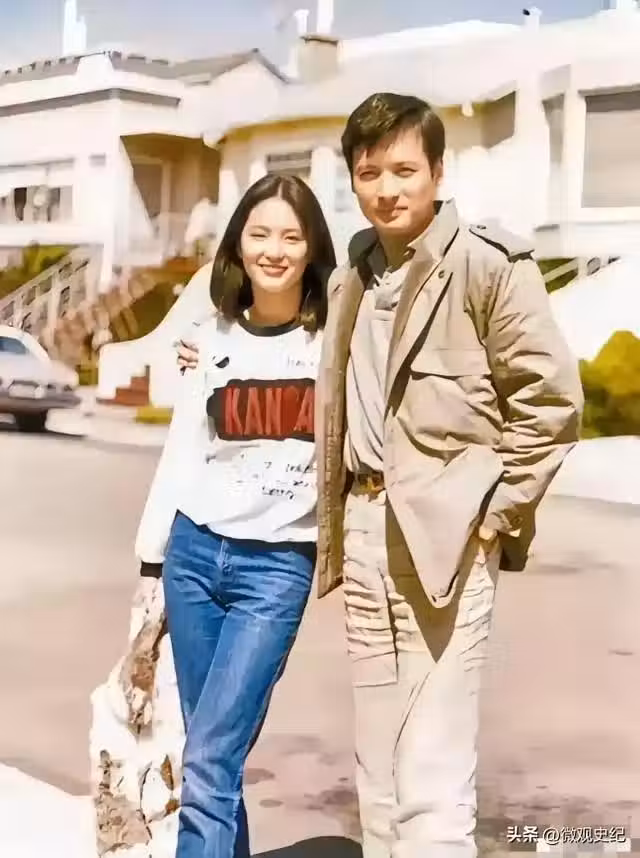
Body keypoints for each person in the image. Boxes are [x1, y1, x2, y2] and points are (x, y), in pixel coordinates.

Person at [175, 93, 584, 858]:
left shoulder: (487, 266)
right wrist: (208, 347)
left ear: (437, 172)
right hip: (363, 534)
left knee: (432, 773)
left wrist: (495, 516)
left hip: (448, 540)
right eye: (370, 173)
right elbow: (281, 332)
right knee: (380, 769)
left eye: (404, 170)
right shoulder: (353, 276)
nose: (387, 189)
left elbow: (552, 404)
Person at [127, 172, 336, 858]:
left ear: (313, 247)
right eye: (259, 234)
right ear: (238, 244)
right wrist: (151, 558)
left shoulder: (334, 340)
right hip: (194, 555)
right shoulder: (210, 335)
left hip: (275, 569)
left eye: (292, 236)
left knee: (211, 758)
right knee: (209, 754)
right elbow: (183, 448)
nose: (274, 250)